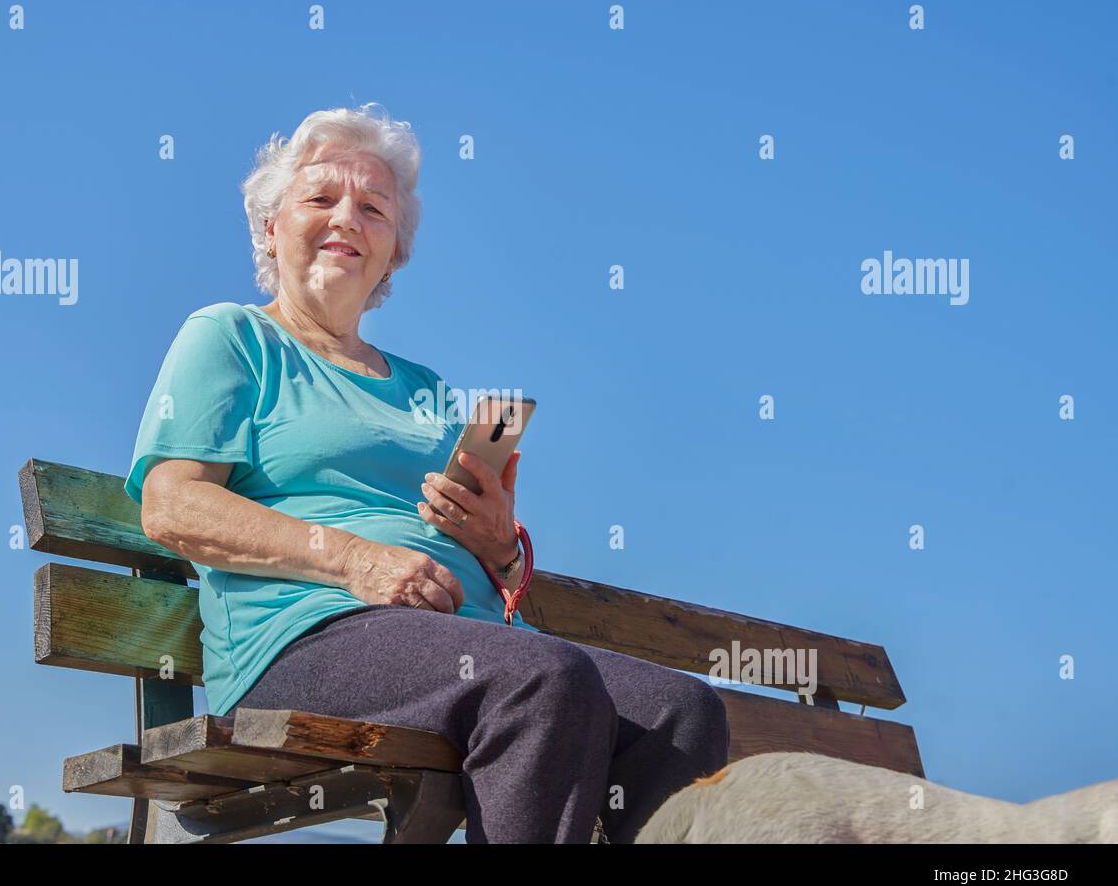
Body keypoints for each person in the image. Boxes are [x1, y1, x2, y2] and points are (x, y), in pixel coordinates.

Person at [124, 103, 729, 843]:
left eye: (373, 208)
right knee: (541, 680)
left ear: (395, 252)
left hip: (464, 646)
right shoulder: (231, 337)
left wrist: (500, 544)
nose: (347, 216)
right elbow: (172, 506)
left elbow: (496, 565)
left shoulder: (427, 387)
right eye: (319, 198)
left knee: (683, 712)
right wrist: (353, 560)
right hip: (304, 639)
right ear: (269, 228)